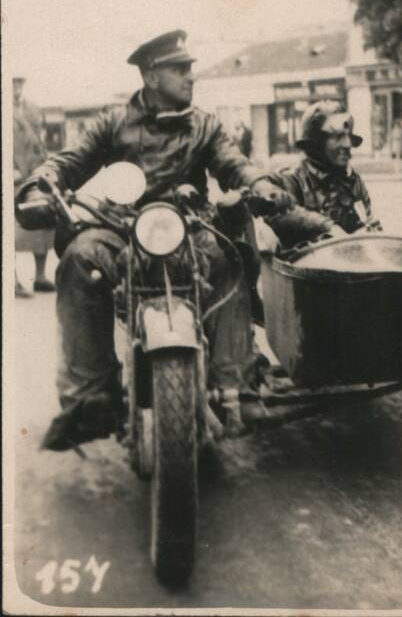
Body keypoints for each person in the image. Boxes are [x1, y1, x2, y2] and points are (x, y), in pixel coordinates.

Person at [16, 30, 293, 449]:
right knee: (78, 258)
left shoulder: (204, 125)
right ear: (150, 77)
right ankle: (91, 398)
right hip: (124, 228)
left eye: (190, 69)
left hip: (188, 227)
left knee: (229, 259)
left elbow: (235, 164)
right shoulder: (113, 122)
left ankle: (236, 386)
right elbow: (70, 161)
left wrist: (262, 184)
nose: (190, 77)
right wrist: (43, 184)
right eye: (179, 69)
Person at [265, 101, 381, 249]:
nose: (347, 144)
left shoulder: (352, 181)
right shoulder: (291, 180)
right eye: (338, 137)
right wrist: (327, 227)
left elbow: (366, 222)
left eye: (348, 136)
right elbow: (276, 212)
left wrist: (370, 231)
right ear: (317, 143)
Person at [13, 76, 55, 297]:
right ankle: (11, 280)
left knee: (43, 218)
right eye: (12, 82)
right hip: (12, 175)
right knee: (9, 229)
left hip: (33, 172)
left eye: (20, 83)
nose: (16, 88)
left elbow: (40, 141)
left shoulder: (32, 109)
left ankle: (40, 276)